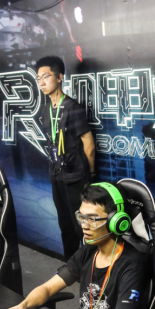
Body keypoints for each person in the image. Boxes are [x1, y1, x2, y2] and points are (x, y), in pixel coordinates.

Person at [0, 182, 147, 309]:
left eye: (92, 219)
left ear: (116, 221)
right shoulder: (89, 251)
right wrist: (23, 307)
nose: (84, 225)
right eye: (82, 217)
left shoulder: (133, 264)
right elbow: (48, 288)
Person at [36, 55, 96, 261]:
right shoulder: (45, 109)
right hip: (57, 175)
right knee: (64, 224)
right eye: (39, 78)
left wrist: (91, 174)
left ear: (60, 77)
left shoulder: (72, 107)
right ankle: (71, 266)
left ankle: (89, 267)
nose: (42, 82)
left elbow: (89, 145)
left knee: (82, 226)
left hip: (76, 177)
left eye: (46, 76)